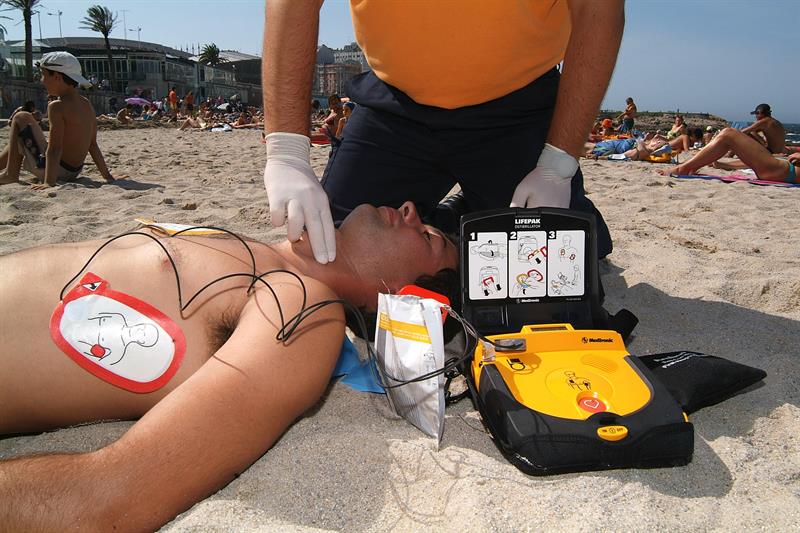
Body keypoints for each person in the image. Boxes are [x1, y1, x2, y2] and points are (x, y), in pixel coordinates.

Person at [0, 201, 457, 530]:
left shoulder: (304, 308)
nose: (412, 209)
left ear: (405, 296)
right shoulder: (265, 259)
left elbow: (105, 499)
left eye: (429, 237)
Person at [262, 1, 624, 265]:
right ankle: (460, 212)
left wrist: (557, 162)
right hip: (395, 104)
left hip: (517, 107)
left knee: (567, 263)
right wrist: (287, 150)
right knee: (338, 251)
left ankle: (473, 204)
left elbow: (598, 9)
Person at [0, 51, 115, 188]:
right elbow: (92, 145)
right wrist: (108, 176)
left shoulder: (57, 106)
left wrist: (49, 182)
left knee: (21, 117)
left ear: (57, 77)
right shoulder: (86, 103)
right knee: (21, 136)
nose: (41, 80)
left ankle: (10, 174)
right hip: (74, 171)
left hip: (55, 171)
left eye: (43, 75)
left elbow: (55, 149)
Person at [659, 127, 799, 183]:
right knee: (733, 141)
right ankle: (721, 164)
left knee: (728, 134)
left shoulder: (767, 121)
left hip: (784, 170)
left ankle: (682, 169)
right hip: (782, 168)